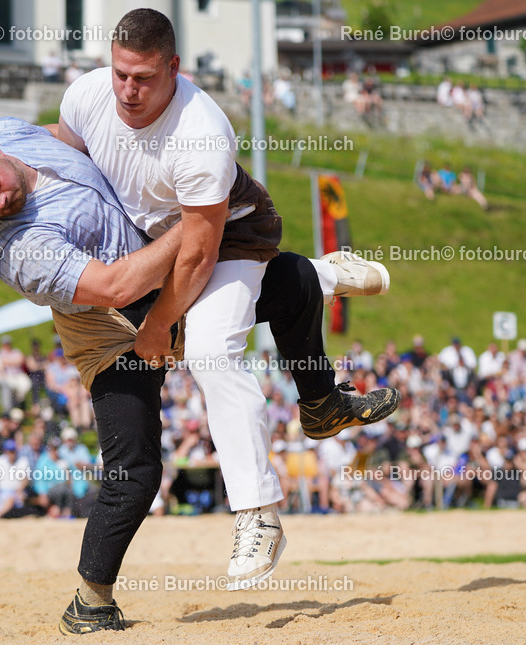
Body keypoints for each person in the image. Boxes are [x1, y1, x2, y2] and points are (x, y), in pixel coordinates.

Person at [0, 114, 397, 633]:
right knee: (135, 471)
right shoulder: (15, 248)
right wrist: (200, 215)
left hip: (160, 279)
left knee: (294, 280)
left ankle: (323, 402)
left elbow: (81, 137)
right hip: (104, 325)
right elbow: (116, 286)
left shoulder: (10, 131)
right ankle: (91, 601)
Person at [54, 7, 395, 597]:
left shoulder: (202, 131)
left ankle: (258, 514)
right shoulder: (87, 95)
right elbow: (65, 164)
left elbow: (198, 254)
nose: (128, 90)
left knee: (212, 350)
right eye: (120, 74)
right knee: (209, 320)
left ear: (174, 68)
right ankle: (316, 275)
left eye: (144, 78)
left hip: (229, 235)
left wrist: (158, 326)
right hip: (150, 241)